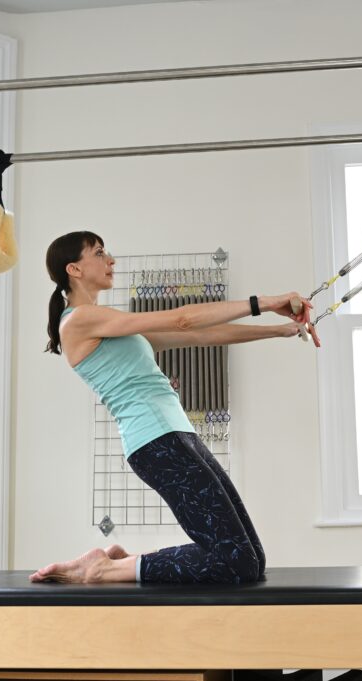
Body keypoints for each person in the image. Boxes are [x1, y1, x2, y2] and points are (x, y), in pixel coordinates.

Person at [31, 230, 317, 585]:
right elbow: (184, 319)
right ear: (74, 268)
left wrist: (278, 331)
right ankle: (104, 568)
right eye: (100, 252)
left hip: (178, 436)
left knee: (251, 560)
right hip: (156, 443)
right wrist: (265, 302)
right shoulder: (79, 320)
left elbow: (201, 335)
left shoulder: (111, 325)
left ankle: (118, 563)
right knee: (234, 562)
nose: (111, 260)